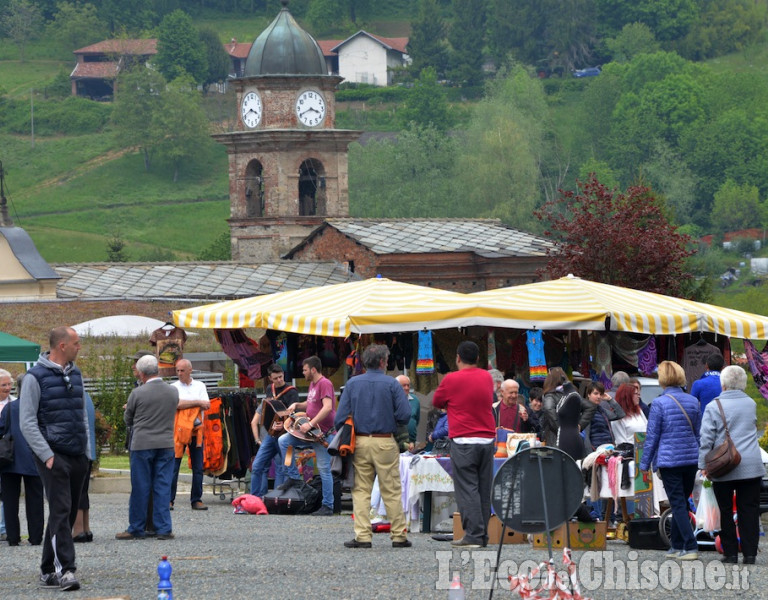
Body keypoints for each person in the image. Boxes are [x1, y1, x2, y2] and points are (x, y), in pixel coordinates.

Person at [19, 327, 90, 591]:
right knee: (61, 510)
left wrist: (87, 451)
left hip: (77, 453)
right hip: (53, 454)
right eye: (76, 343)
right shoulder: (34, 378)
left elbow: (81, 414)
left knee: (67, 513)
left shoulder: (76, 373)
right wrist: (47, 456)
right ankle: (66, 570)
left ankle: (48, 569)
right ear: (61, 346)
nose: (79, 347)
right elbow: (26, 422)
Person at [336, 344, 411, 548]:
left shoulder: (352, 384)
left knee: (360, 490)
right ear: (381, 362)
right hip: (385, 440)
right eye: (386, 360)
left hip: (359, 441)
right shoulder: (392, 384)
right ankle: (398, 536)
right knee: (392, 489)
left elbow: (339, 418)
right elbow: (405, 415)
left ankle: (362, 536)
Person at [699, 365, 766, 565]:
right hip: (751, 465)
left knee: (725, 509)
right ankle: (750, 553)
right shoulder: (751, 404)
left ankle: (730, 553)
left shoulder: (713, 406)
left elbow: (706, 438)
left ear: (724, 383)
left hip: (724, 465)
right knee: (749, 510)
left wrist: (703, 463)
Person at [433, 341, 496, 548]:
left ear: (458, 358)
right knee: (483, 488)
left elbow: (437, 401)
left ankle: (474, 535)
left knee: (467, 488)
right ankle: (483, 534)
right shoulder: (486, 377)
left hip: (463, 438)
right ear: (478, 359)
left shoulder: (452, 379)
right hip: (487, 438)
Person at [639, 361, 701, 561]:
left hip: (670, 460)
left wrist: (644, 464)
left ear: (662, 379)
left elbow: (652, 437)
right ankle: (676, 545)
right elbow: (698, 434)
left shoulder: (659, 403)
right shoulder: (693, 401)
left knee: (677, 503)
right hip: (691, 459)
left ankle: (690, 546)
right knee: (681, 502)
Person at [116, 355, 178, 541]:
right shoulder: (172, 391)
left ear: (142, 374)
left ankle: (136, 527)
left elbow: (128, 419)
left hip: (142, 443)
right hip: (166, 443)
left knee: (141, 486)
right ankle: (163, 528)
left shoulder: (138, 393)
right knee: (162, 486)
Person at [278, 356, 336, 516]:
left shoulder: (325, 383)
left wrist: (310, 424)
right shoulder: (313, 384)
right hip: (309, 433)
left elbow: (327, 408)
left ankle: (328, 506)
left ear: (313, 369)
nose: (302, 373)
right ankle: (293, 477)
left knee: (324, 470)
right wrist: (297, 405)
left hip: (321, 434)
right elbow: (311, 404)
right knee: (284, 442)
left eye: (304, 370)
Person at [0, 372, 44, 547]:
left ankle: (13, 537)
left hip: (9, 458)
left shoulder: (10, 408)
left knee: (10, 501)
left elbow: (2, 429)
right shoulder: (39, 407)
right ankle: (35, 537)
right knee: (35, 500)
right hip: (34, 457)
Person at [250, 364, 298, 497]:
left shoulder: (292, 392)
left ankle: (279, 499)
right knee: (257, 466)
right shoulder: (269, 389)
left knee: (286, 467)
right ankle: (255, 498)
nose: (279, 380)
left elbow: (294, 416)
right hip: (271, 436)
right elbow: (268, 408)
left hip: (287, 437)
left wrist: (283, 425)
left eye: (281, 377)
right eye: (276, 378)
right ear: (270, 378)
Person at [170, 359, 211, 511]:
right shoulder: (173, 387)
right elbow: (176, 404)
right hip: (178, 431)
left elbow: (206, 404)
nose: (179, 374)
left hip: (196, 432)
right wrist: (197, 402)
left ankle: (196, 500)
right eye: (178, 371)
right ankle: (169, 500)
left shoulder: (200, 386)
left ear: (190, 371)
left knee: (198, 467)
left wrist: (189, 403)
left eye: (182, 370)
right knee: (174, 467)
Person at [72, 391, 96, 543]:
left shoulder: (74, 398)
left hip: (77, 450)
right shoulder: (86, 396)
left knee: (75, 491)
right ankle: (86, 528)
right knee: (83, 490)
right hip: (89, 450)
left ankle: (78, 529)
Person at [0, 368, 12, 542]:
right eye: (4, 384)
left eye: (10, 384)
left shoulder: (15, 403)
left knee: (5, 492)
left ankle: (3, 528)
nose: (8, 387)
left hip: (7, 454)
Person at [396, 375, 421, 452]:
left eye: (408, 385)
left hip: (411, 442)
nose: (406, 388)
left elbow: (416, 419)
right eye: (403, 385)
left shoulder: (415, 400)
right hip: (397, 443)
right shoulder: (392, 400)